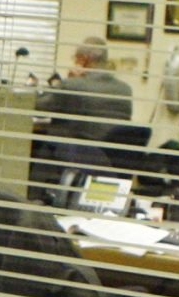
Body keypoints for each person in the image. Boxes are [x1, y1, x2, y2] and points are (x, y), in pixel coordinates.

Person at [29, 36, 136, 207]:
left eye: (75, 58)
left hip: (76, 162)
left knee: (46, 144)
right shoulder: (125, 89)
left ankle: (33, 200)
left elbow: (37, 106)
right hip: (110, 168)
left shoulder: (73, 86)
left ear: (83, 60)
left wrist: (67, 81)